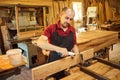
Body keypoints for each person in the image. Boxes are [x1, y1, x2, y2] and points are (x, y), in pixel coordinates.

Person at [36, 7, 79, 79]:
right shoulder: (51, 28)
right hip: (54, 64)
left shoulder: (72, 30)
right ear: (61, 15)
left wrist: (76, 59)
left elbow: (74, 46)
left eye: (71, 19)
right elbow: (39, 42)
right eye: (66, 18)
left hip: (67, 64)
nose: (68, 21)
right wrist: (58, 49)